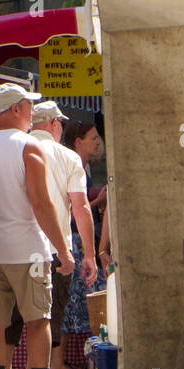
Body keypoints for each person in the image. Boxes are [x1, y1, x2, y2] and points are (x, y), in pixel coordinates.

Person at [0, 83, 75, 369]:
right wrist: (62, 249)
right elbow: (41, 203)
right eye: (29, 107)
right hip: (26, 248)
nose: (32, 113)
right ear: (15, 109)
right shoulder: (28, 145)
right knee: (38, 318)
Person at [15, 100, 97, 369]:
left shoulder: (13, 148)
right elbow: (81, 206)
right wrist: (88, 253)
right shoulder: (67, 157)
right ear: (55, 125)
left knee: (10, 320)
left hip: (11, 248)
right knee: (46, 317)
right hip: (53, 249)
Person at [62, 120, 107, 340]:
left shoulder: (84, 168)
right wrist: (99, 200)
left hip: (82, 241)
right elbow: (73, 210)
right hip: (76, 240)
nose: (98, 142)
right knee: (77, 295)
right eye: (93, 138)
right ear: (79, 142)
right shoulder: (74, 166)